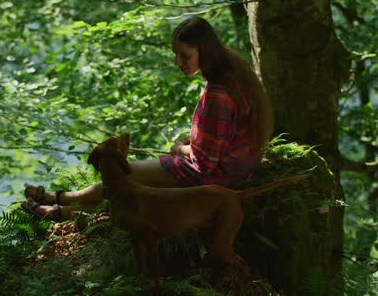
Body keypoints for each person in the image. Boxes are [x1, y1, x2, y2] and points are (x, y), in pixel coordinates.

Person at [22, 16, 272, 221]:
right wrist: (194, 142)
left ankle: (64, 202)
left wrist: (180, 148)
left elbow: (204, 162)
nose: (178, 62)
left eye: (184, 55)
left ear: (204, 51)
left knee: (123, 177)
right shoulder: (234, 72)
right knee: (135, 189)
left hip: (216, 175)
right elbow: (223, 135)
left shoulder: (218, 94)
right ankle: (63, 206)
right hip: (236, 168)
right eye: (176, 55)